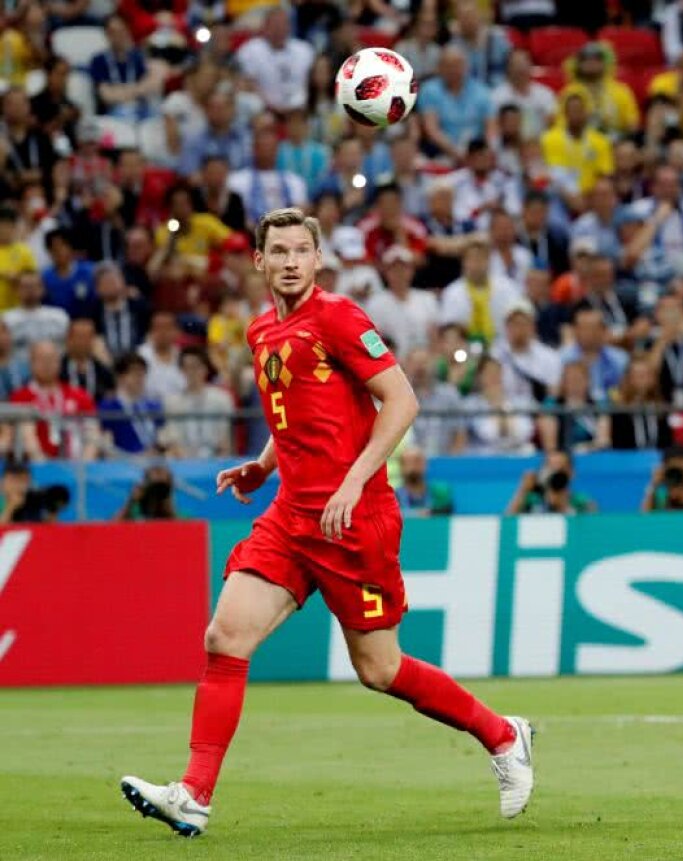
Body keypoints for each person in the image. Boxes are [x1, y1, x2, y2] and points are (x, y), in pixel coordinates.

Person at [118, 209, 534, 837]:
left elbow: (402, 400)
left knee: (380, 670)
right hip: (290, 514)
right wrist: (263, 465)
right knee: (224, 637)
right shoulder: (261, 331)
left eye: (301, 250)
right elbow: (297, 417)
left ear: (317, 260)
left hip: (353, 517)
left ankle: (504, 735)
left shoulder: (339, 317)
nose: (289, 261)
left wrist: (353, 480)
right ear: (259, 261)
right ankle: (194, 793)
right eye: (278, 250)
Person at [97, 352, 163, 456]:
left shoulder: (153, 405)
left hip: (154, 462)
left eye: (142, 373)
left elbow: (162, 436)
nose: (139, 377)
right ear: (120, 377)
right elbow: (106, 445)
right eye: (134, 372)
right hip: (124, 464)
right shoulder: (109, 406)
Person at [505, 450, 596, 515]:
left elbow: (593, 533)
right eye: (550, 466)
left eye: (560, 467)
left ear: (571, 473)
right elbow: (508, 526)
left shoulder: (582, 502)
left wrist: (562, 505)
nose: (554, 471)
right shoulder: (531, 501)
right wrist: (523, 490)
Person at [393, 445, 454, 517]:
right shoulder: (394, 496)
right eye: (408, 462)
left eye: (417, 461)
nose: (413, 466)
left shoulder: (440, 491)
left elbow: (448, 511)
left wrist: (431, 512)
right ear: (401, 466)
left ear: (425, 464)